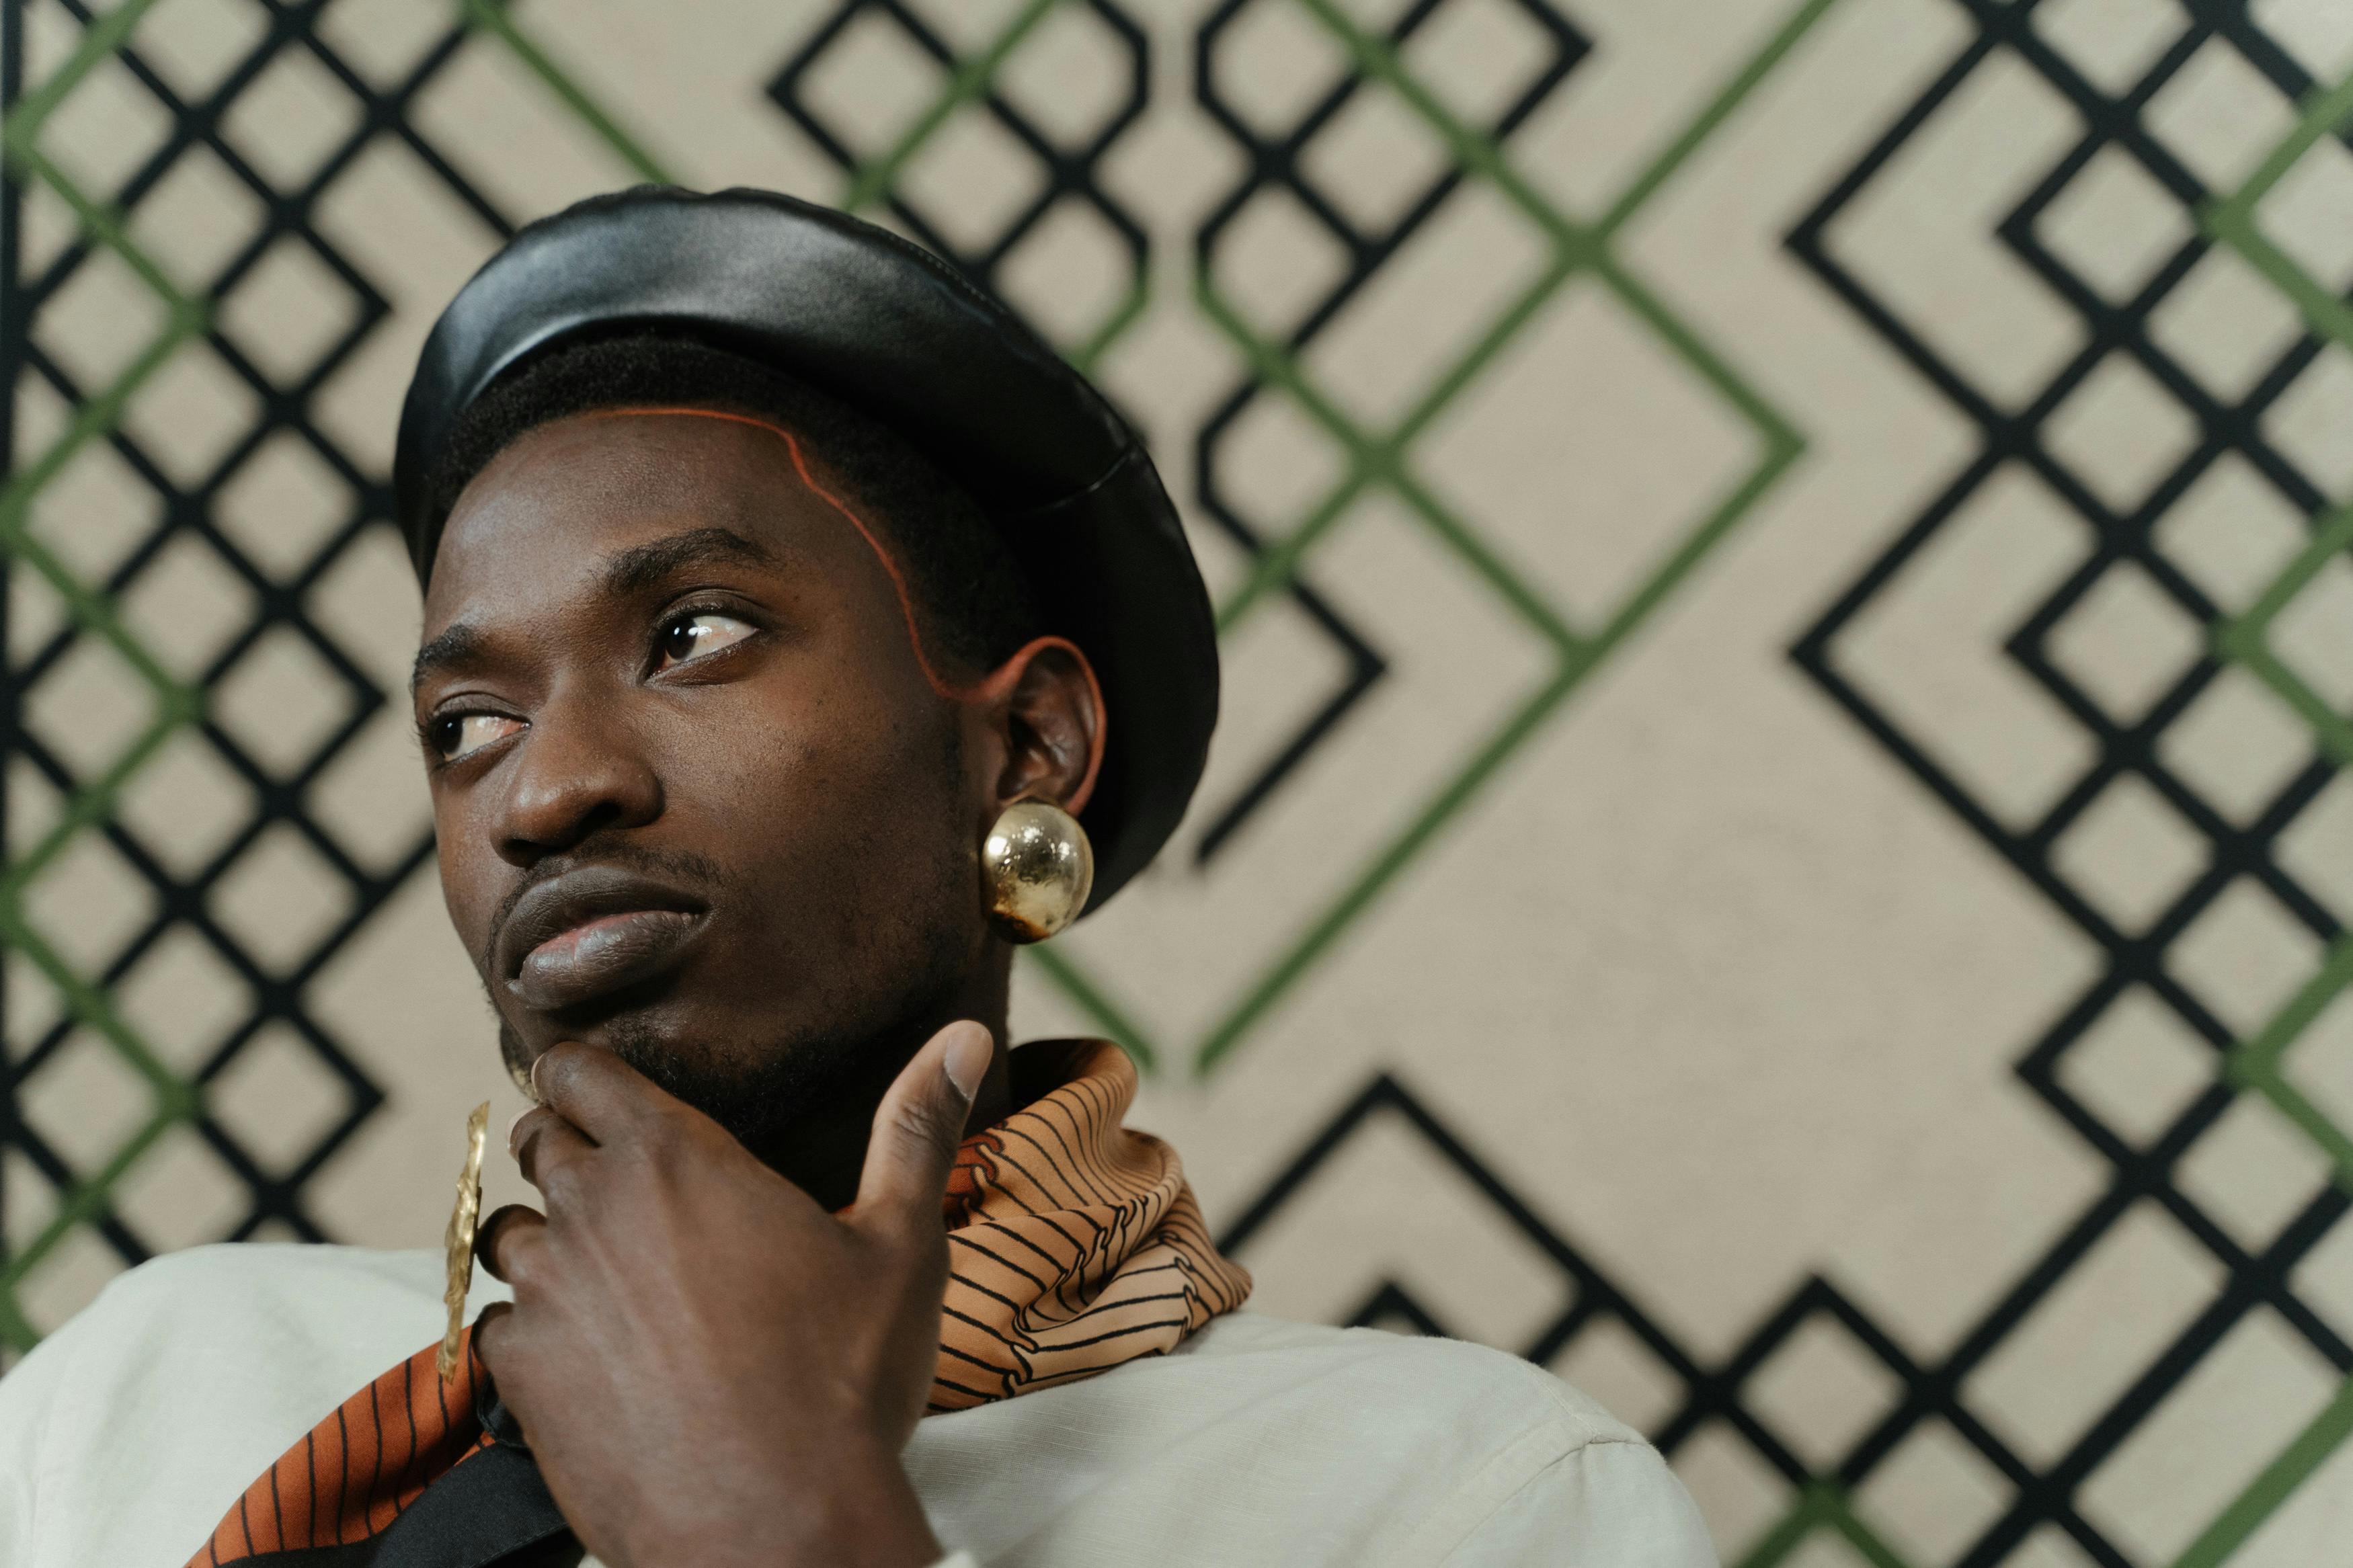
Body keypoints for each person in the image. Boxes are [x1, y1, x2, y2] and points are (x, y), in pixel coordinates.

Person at [0, 188, 1716, 1568]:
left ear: (1029, 745)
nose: (548, 787)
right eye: (465, 721)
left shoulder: (1466, 1501)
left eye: (695, 634)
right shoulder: (139, 1390)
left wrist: (770, 1520)